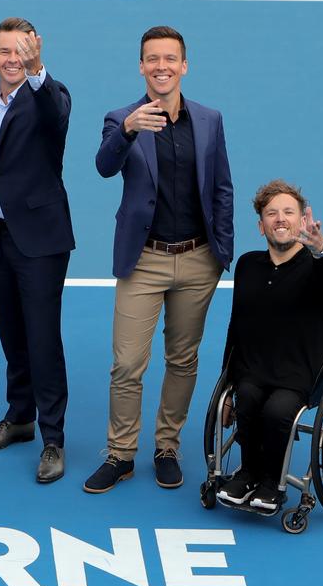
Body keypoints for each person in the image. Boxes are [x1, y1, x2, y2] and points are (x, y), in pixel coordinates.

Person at [85, 25, 234, 494]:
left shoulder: (209, 120)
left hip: (197, 260)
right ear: (142, 66)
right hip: (143, 261)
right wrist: (127, 132)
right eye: (153, 59)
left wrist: (221, 251)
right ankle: (120, 454)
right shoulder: (121, 118)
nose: (162, 66)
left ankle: (166, 446)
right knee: (127, 364)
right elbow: (104, 166)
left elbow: (222, 188)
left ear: (184, 66)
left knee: (182, 359)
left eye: (170, 58)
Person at [0, 17, 74, 483]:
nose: (13, 60)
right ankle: (21, 418)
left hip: (41, 240)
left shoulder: (50, 95)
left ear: (33, 54)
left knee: (42, 337)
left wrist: (39, 71)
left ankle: (53, 438)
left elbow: (56, 114)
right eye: (5, 52)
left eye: (21, 52)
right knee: (12, 332)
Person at [217, 181, 323, 511]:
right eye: (271, 213)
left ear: (302, 221)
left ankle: (271, 483)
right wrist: (226, 384)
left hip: (300, 371)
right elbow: (237, 325)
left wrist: (321, 249)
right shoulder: (248, 265)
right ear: (261, 226)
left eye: (289, 212)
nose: (280, 219)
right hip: (256, 368)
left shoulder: (321, 265)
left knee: (276, 411)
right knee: (247, 399)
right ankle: (247, 473)